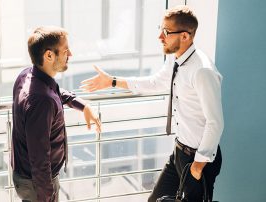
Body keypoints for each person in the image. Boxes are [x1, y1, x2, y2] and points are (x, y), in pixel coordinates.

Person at [81, 5, 223, 202]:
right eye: (161, 29)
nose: (160, 37)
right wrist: (112, 81)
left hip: (199, 160)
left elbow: (215, 123)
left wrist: (198, 166)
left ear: (185, 36)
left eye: (166, 32)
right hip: (180, 152)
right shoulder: (175, 60)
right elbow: (155, 83)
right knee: (154, 200)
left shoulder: (202, 71)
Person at [11, 26, 101, 202]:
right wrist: (47, 195)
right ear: (49, 55)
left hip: (29, 178)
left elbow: (56, 92)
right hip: (37, 184)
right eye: (66, 50)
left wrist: (83, 105)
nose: (71, 54)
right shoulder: (42, 101)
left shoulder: (28, 75)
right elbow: (39, 159)